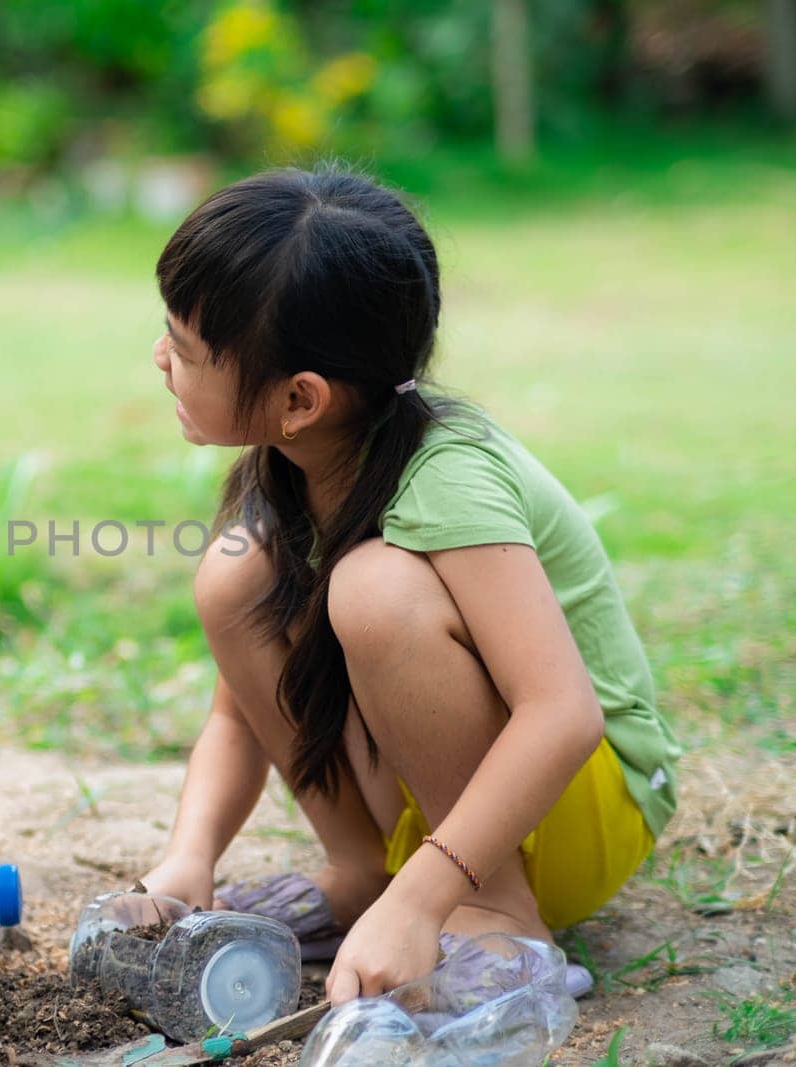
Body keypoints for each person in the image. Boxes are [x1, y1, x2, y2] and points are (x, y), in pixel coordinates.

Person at [138, 167, 680, 1005]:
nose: (160, 357)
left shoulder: (448, 479)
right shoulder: (289, 472)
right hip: (452, 814)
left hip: (578, 810)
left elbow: (563, 712)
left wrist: (427, 895)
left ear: (299, 399)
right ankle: (363, 871)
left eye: (188, 346)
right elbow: (238, 713)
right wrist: (190, 853)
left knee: (373, 589)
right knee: (234, 575)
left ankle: (499, 910)